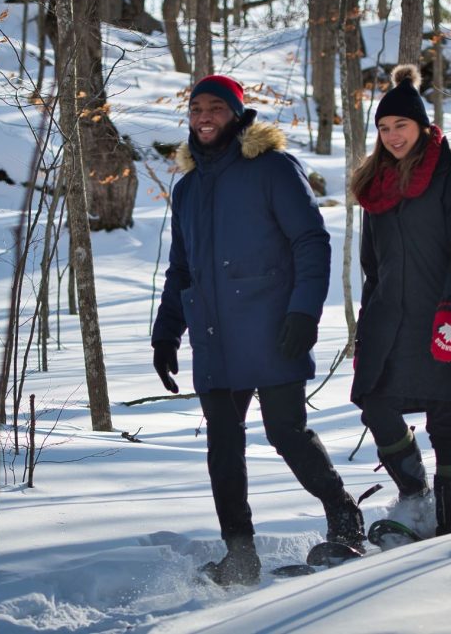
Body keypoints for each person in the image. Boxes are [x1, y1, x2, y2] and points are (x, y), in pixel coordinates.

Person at [151, 74, 364, 586]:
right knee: (223, 444)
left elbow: (311, 242)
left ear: (237, 114)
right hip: (213, 334)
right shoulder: (187, 188)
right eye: (197, 108)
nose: (204, 117)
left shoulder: (272, 169)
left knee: (284, 431)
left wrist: (303, 313)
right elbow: (182, 268)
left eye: (216, 108)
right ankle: (239, 554)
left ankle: (344, 514)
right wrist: (166, 332)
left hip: (272, 326)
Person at [349, 64, 451, 541]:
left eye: (401, 125)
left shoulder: (449, 174)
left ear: (421, 126)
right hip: (387, 317)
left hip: (441, 311)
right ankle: (415, 495)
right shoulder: (375, 184)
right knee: (374, 401)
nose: (392, 135)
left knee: (443, 414)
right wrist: (365, 326)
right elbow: (371, 267)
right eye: (384, 128)